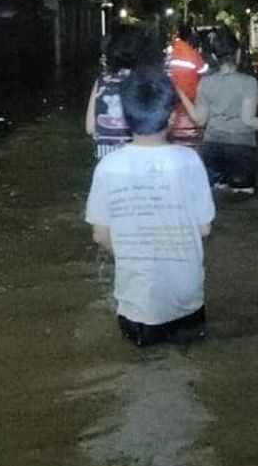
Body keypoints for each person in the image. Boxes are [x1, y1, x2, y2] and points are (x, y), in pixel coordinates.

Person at [85, 67, 216, 346]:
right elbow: (204, 228)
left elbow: (101, 236)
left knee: (141, 372)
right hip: (187, 298)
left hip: (138, 302)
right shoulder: (190, 160)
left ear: (124, 116)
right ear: (171, 117)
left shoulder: (109, 167)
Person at [175, 27, 258, 194]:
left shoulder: (205, 83)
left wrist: (180, 92)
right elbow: (248, 120)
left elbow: (200, 119)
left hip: (212, 148)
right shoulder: (249, 82)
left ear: (215, 57)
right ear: (238, 53)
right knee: (242, 202)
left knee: (214, 199)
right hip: (241, 148)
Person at [84, 26, 156, 159]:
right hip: (137, 158)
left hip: (106, 161)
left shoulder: (102, 82)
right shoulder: (145, 82)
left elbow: (90, 127)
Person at [166, 24, 210, 148]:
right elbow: (205, 71)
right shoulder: (191, 54)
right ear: (190, 36)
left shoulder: (170, 50)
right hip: (189, 102)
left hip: (170, 101)